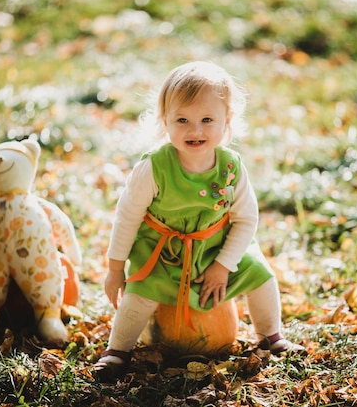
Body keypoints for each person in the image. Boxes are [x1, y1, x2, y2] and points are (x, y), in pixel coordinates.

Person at [95, 61, 304, 381]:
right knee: (141, 293)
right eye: (183, 120)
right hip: (164, 252)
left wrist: (223, 266)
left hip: (215, 246)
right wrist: (114, 268)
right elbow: (127, 218)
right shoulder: (154, 167)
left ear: (227, 121)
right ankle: (118, 351)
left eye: (207, 119)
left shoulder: (231, 167)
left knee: (261, 274)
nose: (195, 130)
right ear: (165, 121)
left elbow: (246, 219)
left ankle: (270, 335)